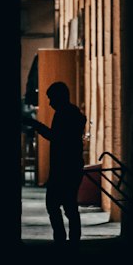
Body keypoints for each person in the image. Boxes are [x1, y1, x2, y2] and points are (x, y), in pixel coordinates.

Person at [24, 81, 87, 245]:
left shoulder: (65, 114)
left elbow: (57, 137)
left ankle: (64, 239)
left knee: (57, 205)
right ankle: (71, 240)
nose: (50, 103)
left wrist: (36, 125)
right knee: (68, 205)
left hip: (65, 168)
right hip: (70, 167)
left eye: (52, 99)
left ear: (60, 97)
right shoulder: (70, 113)